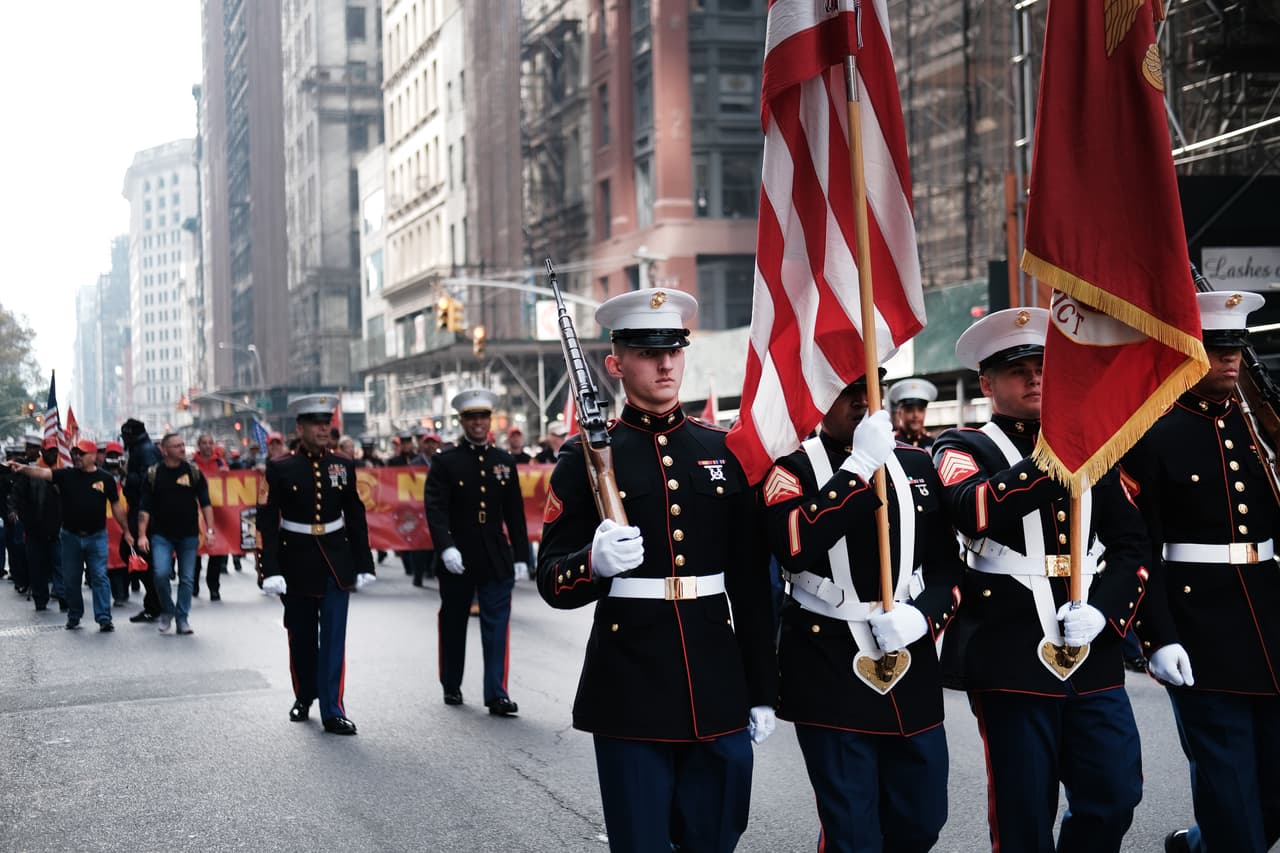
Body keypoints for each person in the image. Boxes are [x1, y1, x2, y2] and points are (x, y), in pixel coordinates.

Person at [537, 289, 778, 853]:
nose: (666, 363)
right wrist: (592, 564)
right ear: (616, 364)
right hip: (630, 687)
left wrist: (764, 690)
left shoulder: (722, 449)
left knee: (715, 836)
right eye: (648, 353)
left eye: (673, 348)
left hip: (716, 680)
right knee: (642, 842)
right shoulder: (584, 458)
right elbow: (552, 578)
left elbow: (750, 583)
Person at [931, 307, 1148, 853]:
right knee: (1024, 814)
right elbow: (973, 509)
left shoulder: (1095, 446)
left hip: (1090, 646)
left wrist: (1105, 609)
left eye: (1043, 366)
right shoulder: (961, 447)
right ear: (986, 383)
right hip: (1009, 650)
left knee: (1115, 794)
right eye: (1017, 369)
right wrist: (1057, 451)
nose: (1034, 378)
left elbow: (1129, 545)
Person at [762, 372, 964, 853]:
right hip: (826, 660)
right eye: (845, 392)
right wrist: (857, 470)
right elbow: (793, 547)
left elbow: (947, 569)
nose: (859, 402)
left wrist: (924, 617)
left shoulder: (917, 462)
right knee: (852, 831)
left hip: (909, 659)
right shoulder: (790, 469)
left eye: (867, 391)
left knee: (922, 818)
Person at [1119, 290, 1280, 853]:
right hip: (1201, 627)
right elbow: (1141, 545)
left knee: (1272, 793)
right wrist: (1157, 635)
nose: (1230, 358)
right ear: (1187, 353)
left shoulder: (1261, 426)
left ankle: (1198, 845)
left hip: (1270, 618)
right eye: (1216, 348)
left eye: (1237, 346)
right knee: (1230, 788)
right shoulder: (1152, 433)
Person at [256, 395, 375, 735]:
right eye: (316, 423)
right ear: (300, 428)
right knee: (302, 637)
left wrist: (364, 562)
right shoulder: (279, 467)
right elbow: (265, 521)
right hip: (295, 560)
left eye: (327, 423)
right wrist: (269, 570)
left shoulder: (343, 464)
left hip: (336, 561)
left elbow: (355, 515)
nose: (324, 429)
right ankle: (304, 695)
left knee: (335, 637)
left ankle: (333, 708)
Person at [424, 389, 529, 715]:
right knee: (454, 622)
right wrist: (445, 548)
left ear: (490, 420)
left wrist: (523, 555)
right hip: (459, 553)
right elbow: (435, 509)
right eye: (472, 418)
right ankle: (452, 684)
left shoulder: (504, 461)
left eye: (483, 417)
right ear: (463, 422)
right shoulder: (446, 461)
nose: (479, 424)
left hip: (495, 553)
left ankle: (496, 693)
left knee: (497, 625)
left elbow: (515, 512)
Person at [9, 438, 135, 631]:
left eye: (82, 454)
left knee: (100, 576)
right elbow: (42, 473)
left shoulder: (105, 479)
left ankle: (103, 618)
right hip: (70, 537)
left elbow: (117, 507)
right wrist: (22, 468)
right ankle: (74, 614)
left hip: (96, 536)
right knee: (71, 578)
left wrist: (126, 531)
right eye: (75, 453)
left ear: (93, 456)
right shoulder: (67, 475)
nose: (77, 457)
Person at [137, 433, 216, 635]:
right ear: (164, 450)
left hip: (189, 535)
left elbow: (206, 503)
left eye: (183, 445)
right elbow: (144, 507)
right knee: (161, 574)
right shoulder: (153, 474)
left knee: (187, 578)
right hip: (161, 536)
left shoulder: (193, 472)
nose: (182, 449)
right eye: (177, 446)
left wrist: (209, 530)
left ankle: (182, 618)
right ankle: (167, 611)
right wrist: (142, 535)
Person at [9, 437, 64, 611]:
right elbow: (16, 494)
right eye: (49, 450)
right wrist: (13, 511)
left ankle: (63, 596)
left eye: (55, 450)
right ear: (43, 451)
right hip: (34, 529)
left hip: (57, 530)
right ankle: (40, 599)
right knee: (37, 567)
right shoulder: (31, 472)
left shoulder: (63, 471)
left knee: (60, 565)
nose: (53, 453)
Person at [121, 419, 164, 623]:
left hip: (145, 511)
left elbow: (150, 480)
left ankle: (155, 601)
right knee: (138, 556)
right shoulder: (140, 449)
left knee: (138, 555)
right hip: (141, 509)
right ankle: (154, 601)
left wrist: (127, 478)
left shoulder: (145, 451)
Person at [192, 433, 229, 600]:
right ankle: (193, 585)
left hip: (216, 514)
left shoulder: (220, 463)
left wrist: (225, 474)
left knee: (216, 551)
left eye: (210, 443)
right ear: (199, 445)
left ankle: (214, 587)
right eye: (204, 443)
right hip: (196, 513)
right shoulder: (191, 464)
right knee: (195, 552)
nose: (207, 446)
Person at [886, 377, 938, 448]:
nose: (915, 415)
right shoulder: (890, 443)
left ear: (925, 413)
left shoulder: (934, 444)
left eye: (920, 410)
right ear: (900, 413)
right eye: (909, 410)